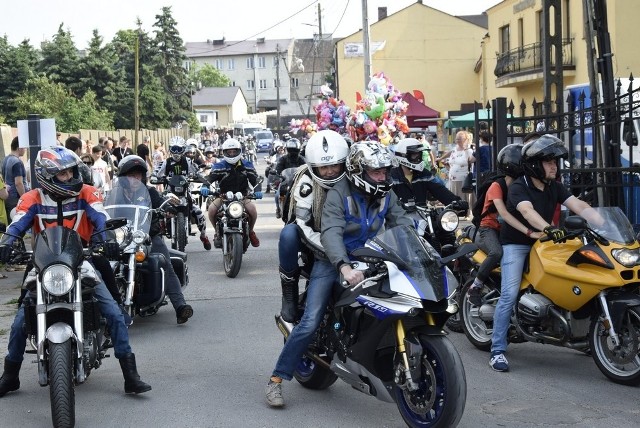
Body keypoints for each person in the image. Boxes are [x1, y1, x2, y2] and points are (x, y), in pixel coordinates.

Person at [266, 141, 412, 407]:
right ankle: (276, 380)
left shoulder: (385, 194)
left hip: (373, 256)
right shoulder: (339, 194)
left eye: (385, 171)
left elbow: (402, 222)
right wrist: (343, 265)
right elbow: (331, 232)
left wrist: (419, 246)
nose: (383, 177)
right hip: (332, 260)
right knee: (310, 321)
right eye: (377, 172)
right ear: (360, 170)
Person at [0, 146, 151, 396]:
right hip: (44, 265)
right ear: (46, 175)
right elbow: (19, 222)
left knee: (114, 313)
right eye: (63, 174)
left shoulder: (86, 193)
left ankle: (130, 375)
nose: (70, 178)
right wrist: (6, 243)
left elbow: (100, 215)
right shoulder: (32, 198)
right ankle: (10, 375)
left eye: (71, 172)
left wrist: (108, 237)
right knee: (19, 323)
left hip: (82, 260)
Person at [489, 135, 594, 372]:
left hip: (546, 243)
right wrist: (548, 228)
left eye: (555, 162)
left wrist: (601, 222)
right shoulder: (518, 186)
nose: (554, 166)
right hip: (517, 243)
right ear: (535, 164)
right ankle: (497, 350)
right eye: (549, 162)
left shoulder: (554, 186)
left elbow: (578, 206)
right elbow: (526, 212)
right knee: (509, 293)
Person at [274, 130, 349, 324]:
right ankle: (289, 293)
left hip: (350, 240)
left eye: (335, 165)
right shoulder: (305, 180)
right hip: (314, 241)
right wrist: (334, 253)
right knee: (289, 234)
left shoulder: (354, 177)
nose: (330, 171)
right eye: (324, 167)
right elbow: (303, 224)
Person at [116, 155, 194, 324]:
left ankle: (180, 306)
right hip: (123, 238)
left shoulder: (150, 192)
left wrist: (167, 209)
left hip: (148, 237)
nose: (135, 179)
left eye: (138, 175)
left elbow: (161, 203)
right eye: (131, 175)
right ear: (123, 177)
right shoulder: (115, 195)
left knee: (166, 263)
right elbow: (105, 210)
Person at [466, 144, 543, 306]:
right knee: (496, 253)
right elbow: (504, 214)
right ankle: (476, 285)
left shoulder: (521, 187)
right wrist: (530, 232)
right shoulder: (496, 186)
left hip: (505, 230)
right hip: (488, 229)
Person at [153, 137, 211, 251]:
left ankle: (204, 236)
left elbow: (197, 171)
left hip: (185, 193)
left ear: (183, 149)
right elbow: (156, 171)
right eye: (173, 149)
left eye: (178, 149)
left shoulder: (188, 161)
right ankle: (158, 236)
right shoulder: (166, 162)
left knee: (198, 212)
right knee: (158, 212)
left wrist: (202, 177)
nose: (175, 152)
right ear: (170, 149)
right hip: (169, 192)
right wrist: (154, 177)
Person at [201, 138, 260, 248]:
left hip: (243, 196)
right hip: (223, 196)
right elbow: (209, 177)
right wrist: (205, 186)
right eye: (229, 152)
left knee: (252, 210)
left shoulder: (247, 165)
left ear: (239, 151)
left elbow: (255, 179)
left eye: (234, 151)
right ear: (225, 152)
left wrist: (257, 191)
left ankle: (251, 231)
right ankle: (217, 233)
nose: (232, 154)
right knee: (212, 210)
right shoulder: (219, 166)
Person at [391, 137, 465, 208]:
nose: (418, 158)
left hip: (422, 217)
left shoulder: (424, 174)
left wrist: (456, 202)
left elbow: (440, 189)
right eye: (414, 155)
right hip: (398, 219)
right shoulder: (392, 176)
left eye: (419, 155)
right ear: (403, 156)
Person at [274, 138, 306, 218]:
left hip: (299, 182)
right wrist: (277, 173)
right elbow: (278, 169)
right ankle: (278, 209)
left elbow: (306, 168)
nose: (293, 152)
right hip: (286, 182)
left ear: (298, 150)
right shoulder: (283, 159)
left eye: (294, 150)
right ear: (288, 149)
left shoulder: (301, 159)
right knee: (277, 195)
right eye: (291, 150)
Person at [1, 137, 29, 220]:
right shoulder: (17, 162)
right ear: (19, 148)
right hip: (16, 200)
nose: (25, 150)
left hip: (7, 198)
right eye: (24, 148)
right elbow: (18, 183)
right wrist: (24, 199)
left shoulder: (5, 159)